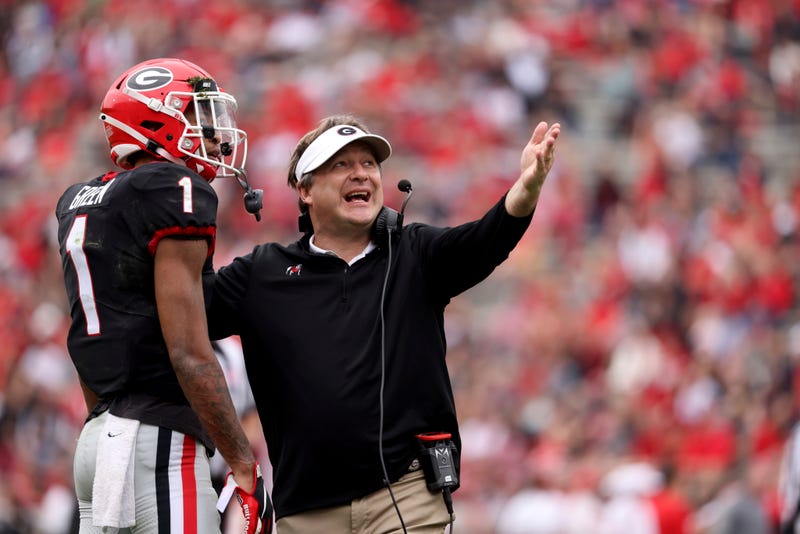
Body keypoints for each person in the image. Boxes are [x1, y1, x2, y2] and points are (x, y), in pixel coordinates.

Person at [208, 113, 560, 533]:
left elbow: (487, 238)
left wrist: (527, 187)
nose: (361, 174)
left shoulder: (415, 253)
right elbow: (189, 310)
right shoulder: (261, 273)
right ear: (305, 190)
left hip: (405, 494)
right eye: (341, 165)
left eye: (369, 164)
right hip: (305, 510)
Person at [55, 58, 271, 533]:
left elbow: (91, 340)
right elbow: (190, 353)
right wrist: (241, 462)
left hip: (97, 440)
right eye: (199, 114)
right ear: (158, 119)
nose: (214, 131)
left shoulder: (81, 199)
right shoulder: (172, 188)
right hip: (158, 444)